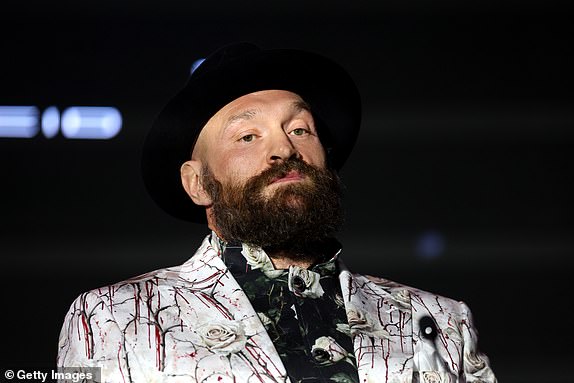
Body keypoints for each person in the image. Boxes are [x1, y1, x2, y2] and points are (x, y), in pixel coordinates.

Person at [57, 42, 497, 383]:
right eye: (247, 136)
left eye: (300, 129)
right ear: (196, 182)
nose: (284, 148)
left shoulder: (438, 321)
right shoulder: (112, 316)